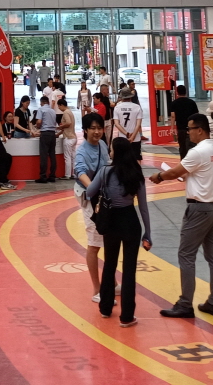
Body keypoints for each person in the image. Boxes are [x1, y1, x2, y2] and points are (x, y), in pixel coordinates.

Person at [153, 113, 213, 318]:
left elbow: (174, 172)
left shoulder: (197, 151)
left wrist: (159, 176)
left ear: (199, 130)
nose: (187, 133)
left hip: (199, 209)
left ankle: (185, 304)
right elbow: (199, 173)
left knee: (186, 254)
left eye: (190, 129)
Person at [87, 137, 152, 327]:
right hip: (130, 220)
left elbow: (90, 192)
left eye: (111, 149)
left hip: (111, 221)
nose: (110, 152)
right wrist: (147, 233)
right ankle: (127, 316)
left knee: (110, 263)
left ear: (115, 152)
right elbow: (144, 207)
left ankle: (105, 308)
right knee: (129, 269)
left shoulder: (105, 171)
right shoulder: (136, 173)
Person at [73, 112, 108, 302]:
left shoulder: (102, 145)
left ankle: (111, 282)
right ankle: (97, 288)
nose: (97, 132)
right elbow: (80, 171)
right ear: (85, 130)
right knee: (94, 241)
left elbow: (107, 166)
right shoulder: (82, 151)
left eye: (99, 128)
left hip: (102, 196)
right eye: (92, 128)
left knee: (108, 238)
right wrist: (94, 188)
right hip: (88, 197)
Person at [168, 84, 199, 161]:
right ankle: (193, 161)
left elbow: (173, 116)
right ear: (186, 92)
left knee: (182, 147)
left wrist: (172, 128)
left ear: (177, 92)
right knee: (192, 146)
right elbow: (196, 116)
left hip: (180, 129)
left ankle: (183, 162)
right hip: (191, 129)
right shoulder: (192, 102)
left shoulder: (174, 103)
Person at [112, 87, 144, 159]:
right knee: (137, 158)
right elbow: (138, 124)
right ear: (130, 96)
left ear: (122, 97)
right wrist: (132, 137)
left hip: (122, 138)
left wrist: (126, 134)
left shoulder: (117, 108)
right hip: (135, 138)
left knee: (122, 159)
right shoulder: (137, 107)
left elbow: (117, 124)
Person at [34, 96, 59, 183]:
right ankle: (52, 176)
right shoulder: (53, 111)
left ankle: (43, 176)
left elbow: (39, 122)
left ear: (42, 102)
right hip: (52, 133)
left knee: (44, 156)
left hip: (45, 133)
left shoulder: (41, 109)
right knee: (52, 155)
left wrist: (37, 126)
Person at [57, 98, 77, 182]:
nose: (59, 108)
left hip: (68, 137)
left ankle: (67, 174)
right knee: (73, 157)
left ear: (61, 105)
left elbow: (68, 123)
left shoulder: (65, 113)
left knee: (67, 157)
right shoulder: (70, 112)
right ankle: (73, 173)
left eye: (59, 106)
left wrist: (61, 126)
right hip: (73, 137)